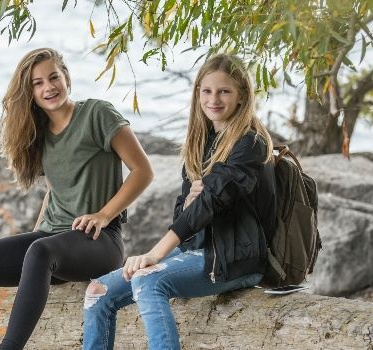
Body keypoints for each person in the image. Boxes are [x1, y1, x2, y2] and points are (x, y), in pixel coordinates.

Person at [0, 48, 154, 350]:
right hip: (51, 244)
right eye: (37, 83)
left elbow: (143, 171)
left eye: (53, 77)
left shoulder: (97, 114)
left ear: (66, 77)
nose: (48, 87)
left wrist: (104, 215)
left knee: (39, 251)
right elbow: (55, 189)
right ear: (30, 93)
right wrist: (35, 234)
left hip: (100, 240)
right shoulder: (40, 133)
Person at [82, 53, 276, 350]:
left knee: (148, 281)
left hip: (234, 260)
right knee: (98, 291)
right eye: (207, 91)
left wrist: (155, 254)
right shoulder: (200, 142)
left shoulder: (250, 143)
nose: (214, 99)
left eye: (224, 91)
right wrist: (190, 204)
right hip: (196, 251)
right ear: (198, 93)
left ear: (242, 96)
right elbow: (185, 208)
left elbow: (209, 201)